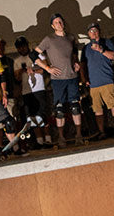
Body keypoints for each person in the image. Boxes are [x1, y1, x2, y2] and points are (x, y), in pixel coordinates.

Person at [33, 14, 83, 146]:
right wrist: (47, 68)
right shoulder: (49, 39)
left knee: (75, 107)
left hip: (72, 77)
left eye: (60, 21)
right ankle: (61, 138)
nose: (59, 24)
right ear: (52, 26)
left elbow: (73, 54)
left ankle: (78, 135)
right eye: (56, 22)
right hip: (58, 79)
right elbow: (34, 54)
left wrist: (76, 62)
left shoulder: (71, 37)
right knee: (59, 110)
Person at [12, 37, 53, 149]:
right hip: (26, 91)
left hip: (39, 89)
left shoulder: (37, 55)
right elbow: (17, 78)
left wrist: (33, 70)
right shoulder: (17, 61)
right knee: (33, 117)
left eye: (24, 46)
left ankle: (48, 139)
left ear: (27, 45)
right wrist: (22, 71)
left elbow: (45, 69)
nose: (22, 48)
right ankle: (39, 141)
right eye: (19, 47)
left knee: (43, 114)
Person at [82, 24, 114, 139]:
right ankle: (102, 132)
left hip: (107, 80)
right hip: (94, 83)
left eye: (95, 30)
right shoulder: (86, 48)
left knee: (113, 106)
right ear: (88, 34)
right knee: (97, 109)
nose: (93, 33)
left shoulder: (106, 42)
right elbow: (83, 65)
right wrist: (85, 79)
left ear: (99, 31)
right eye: (91, 31)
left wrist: (101, 49)